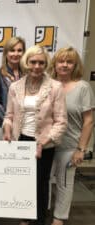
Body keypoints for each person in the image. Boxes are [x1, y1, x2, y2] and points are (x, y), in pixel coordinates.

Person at [2, 45, 68, 225]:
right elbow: (9, 116)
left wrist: (44, 142)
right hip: (21, 140)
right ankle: (25, 218)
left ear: (46, 64)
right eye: (33, 62)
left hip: (44, 143)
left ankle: (39, 220)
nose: (36, 66)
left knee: (40, 184)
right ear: (26, 63)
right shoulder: (15, 86)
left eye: (41, 62)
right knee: (23, 182)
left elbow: (61, 121)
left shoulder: (55, 87)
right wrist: (7, 130)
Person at [49, 47, 95, 225]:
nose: (65, 65)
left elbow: (89, 121)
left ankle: (59, 218)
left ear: (75, 65)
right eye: (61, 61)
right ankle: (42, 212)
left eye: (69, 62)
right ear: (55, 63)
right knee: (43, 181)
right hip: (47, 144)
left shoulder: (83, 87)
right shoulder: (49, 84)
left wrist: (81, 149)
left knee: (64, 182)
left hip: (70, 146)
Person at [0, 37, 26, 140]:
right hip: (0, 127)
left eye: (19, 50)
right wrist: (10, 123)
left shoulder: (28, 75)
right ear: (6, 53)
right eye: (12, 50)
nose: (16, 54)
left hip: (24, 128)